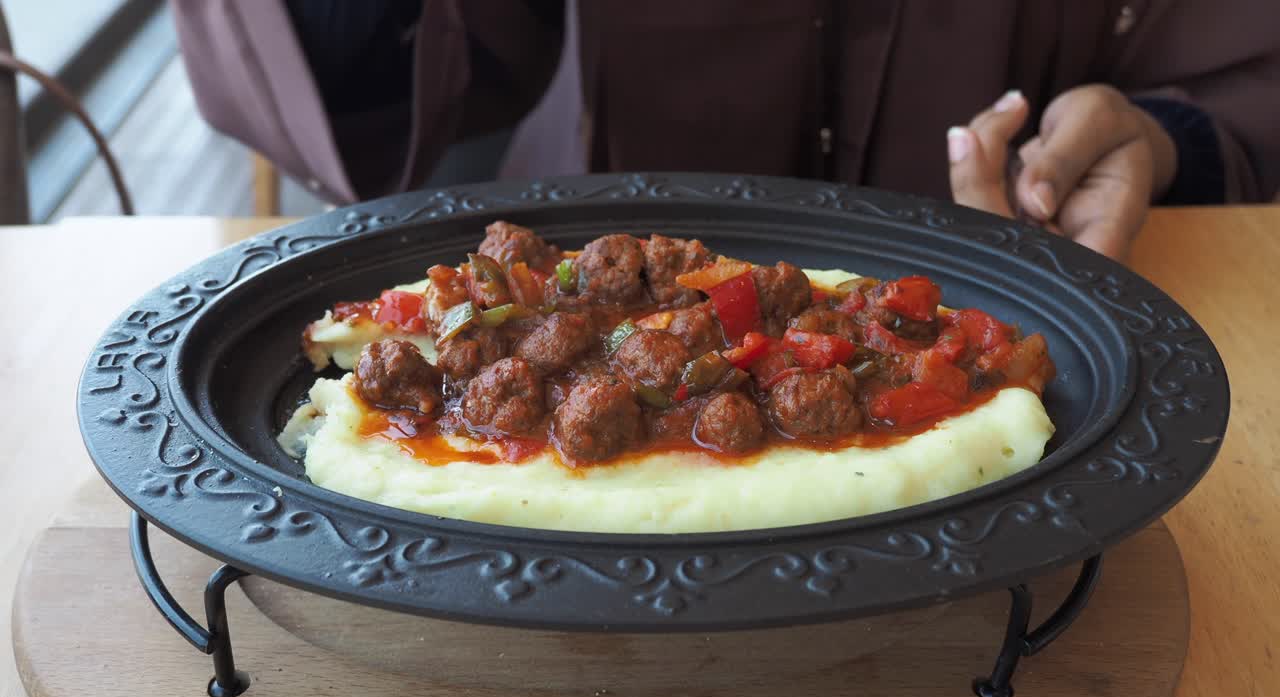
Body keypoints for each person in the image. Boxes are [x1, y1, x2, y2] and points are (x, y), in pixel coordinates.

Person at [171, 1, 1280, 261]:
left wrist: (1163, 137)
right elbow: (443, 54)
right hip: (582, 281)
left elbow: (1231, 60)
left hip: (1024, 289)